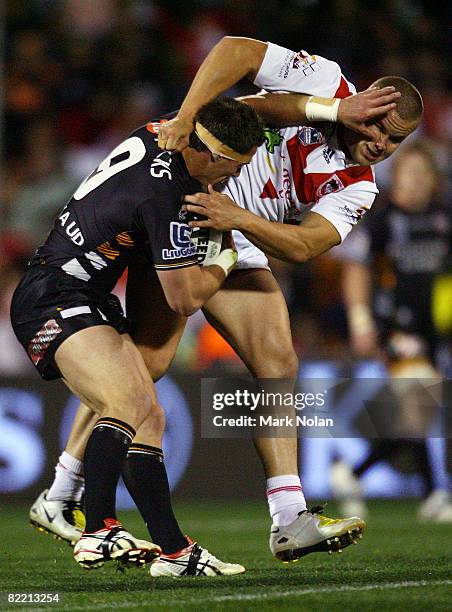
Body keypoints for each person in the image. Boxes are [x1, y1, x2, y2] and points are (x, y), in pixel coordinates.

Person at [29, 36, 421, 574]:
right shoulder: (327, 81)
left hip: (236, 233)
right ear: (364, 99)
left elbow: (306, 245)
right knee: (146, 364)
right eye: (377, 126)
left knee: (277, 361)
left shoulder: (360, 187)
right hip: (188, 198)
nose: (380, 143)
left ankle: (289, 517)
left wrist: (239, 224)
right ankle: (63, 491)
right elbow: (238, 57)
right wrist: (187, 120)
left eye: (396, 139)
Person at [11, 96, 264, 570]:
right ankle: (98, 530)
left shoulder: (164, 130)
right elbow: (184, 299)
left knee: (149, 414)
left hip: (83, 293)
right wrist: (225, 259)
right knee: (127, 404)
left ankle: (174, 551)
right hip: (54, 296)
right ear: (209, 152)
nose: (231, 179)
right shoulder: (164, 195)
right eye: (232, 167)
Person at [330, 140, 452, 521]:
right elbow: (356, 268)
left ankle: (352, 473)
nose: (415, 182)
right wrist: (362, 321)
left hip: (436, 331)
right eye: (408, 174)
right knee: (419, 399)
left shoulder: (444, 218)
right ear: (395, 179)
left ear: (433, 180)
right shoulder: (383, 220)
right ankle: (433, 495)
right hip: (395, 327)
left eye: (422, 175)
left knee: (418, 412)